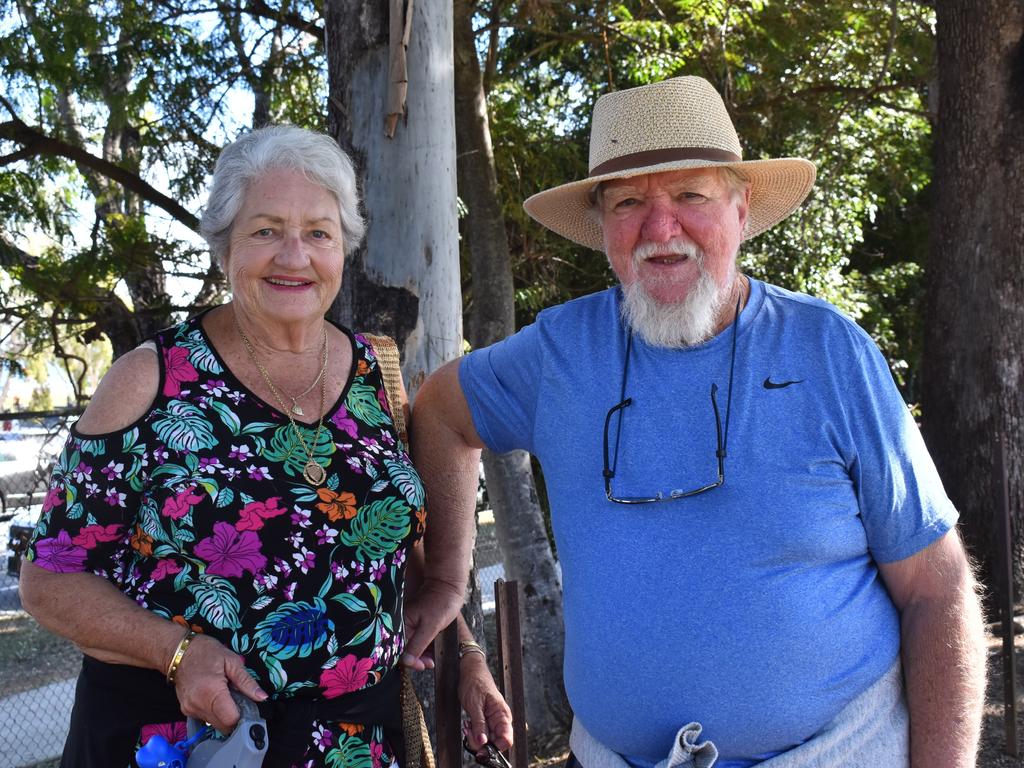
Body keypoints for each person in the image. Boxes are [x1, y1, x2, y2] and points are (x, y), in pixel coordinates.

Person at [405, 77, 987, 768]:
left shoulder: (827, 351)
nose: (660, 229)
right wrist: (443, 579)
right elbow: (439, 411)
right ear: (602, 228)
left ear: (741, 210)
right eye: (628, 202)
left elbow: (936, 588)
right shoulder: (561, 353)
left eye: (690, 196)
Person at [19, 125, 512, 768]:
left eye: (318, 233)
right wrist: (174, 651)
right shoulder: (152, 378)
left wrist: (468, 655)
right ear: (224, 245)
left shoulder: (374, 372)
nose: (293, 256)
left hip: (354, 748)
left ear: (343, 248)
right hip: (190, 744)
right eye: (265, 230)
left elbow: (381, 557)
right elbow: (50, 578)